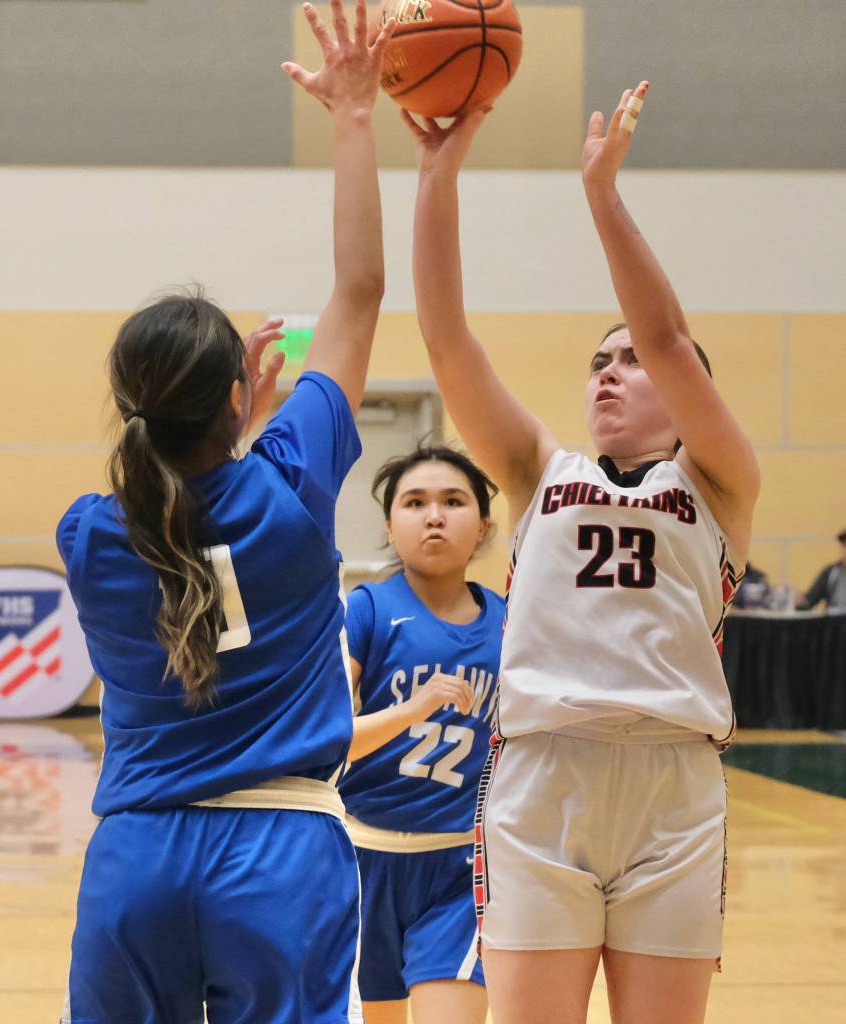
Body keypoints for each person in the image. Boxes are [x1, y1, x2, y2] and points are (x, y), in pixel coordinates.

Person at [55, 4, 394, 1022]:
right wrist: (351, 120)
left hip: (138, 850)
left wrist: (237, 414)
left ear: (131, 401)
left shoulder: (89, 529)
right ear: (243, 389)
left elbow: (174, 501)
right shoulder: (290, 486)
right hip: (281, 845)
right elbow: (361, 289)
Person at [404, 82, 760, 1024]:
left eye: (626, 362)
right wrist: (437, 175)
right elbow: (445, 340)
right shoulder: (536, 469)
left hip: (674, 783)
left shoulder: (718, 481)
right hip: (541, 773)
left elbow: (670, 338)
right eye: (597, 362)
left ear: (685, 398)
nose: (608, 371)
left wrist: (602, 197)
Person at [338, 445, 504, 1024]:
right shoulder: (366, 611)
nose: (434, 515)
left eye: (453, 501)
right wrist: (415, 708)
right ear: (389, 525)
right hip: (359, 865)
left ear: (482, 526)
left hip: (460, 871)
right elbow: (328, 739)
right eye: (415, 502)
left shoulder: (513, 623)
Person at [797, 530, 846, 610]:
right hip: (835, 620)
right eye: (844, 545)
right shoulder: (831, 572)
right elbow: (811, 599)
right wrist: (800, 601)